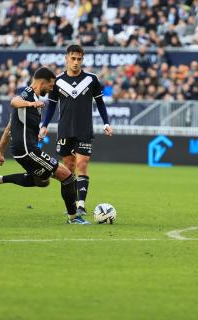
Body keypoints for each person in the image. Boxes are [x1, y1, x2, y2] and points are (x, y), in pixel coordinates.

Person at [0, 66, 89, 224]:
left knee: (42, 181)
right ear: (42, 82)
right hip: (27, 150)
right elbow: (14, 101)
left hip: (22, 150)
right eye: (51, 86)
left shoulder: (32, 100)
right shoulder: (28, 95)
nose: (52, 89)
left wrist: (0, 152)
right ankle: (73, 217)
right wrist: (31, 104)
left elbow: (8, 129)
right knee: (67, 177)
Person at [39, 45, 113, 217]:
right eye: (73, 58)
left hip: (84, 129)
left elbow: (100, 103)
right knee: (69, 168)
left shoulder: (91, 79)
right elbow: (51, 107)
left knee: (82, 165)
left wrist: (106, 123)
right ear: (66, 58)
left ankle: (81, 205)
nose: (75, 62)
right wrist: (44, 125)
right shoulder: (57, 81)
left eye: (79, 59)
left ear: (82, 59)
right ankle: (71, 205)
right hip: (64, 130)